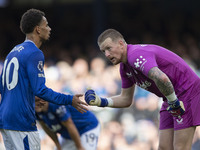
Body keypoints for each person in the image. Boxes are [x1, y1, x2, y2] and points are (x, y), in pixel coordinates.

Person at [85, 28, 200, 150]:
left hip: (188, 91)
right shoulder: (124, 68)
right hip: (171, 97)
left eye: (109, 48)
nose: (107, 54)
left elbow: (161, 78)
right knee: (164, 147)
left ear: (121, 43)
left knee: (181, 148)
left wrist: (174, 102)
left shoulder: (135, 55)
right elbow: (126, 99)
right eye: (103, 51)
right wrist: (100, 101)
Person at [0, 8, 87, 150]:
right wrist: (69, 99)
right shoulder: (34, 53)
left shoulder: (13, 51)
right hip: (21, 122)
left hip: (5, 120)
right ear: (38, 29)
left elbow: (3, 85)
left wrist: (30, 97)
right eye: (46, 25)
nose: (49, 28)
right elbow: (40, 90)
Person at [35, 97, 100, 150]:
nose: (34, 105)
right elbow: (47, 128)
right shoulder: (35, 111)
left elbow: (70, 124)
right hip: (68, 133)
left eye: (36, 101)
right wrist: (57, 144)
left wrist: (79, 147)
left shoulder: (55, 103)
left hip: (87, 127)